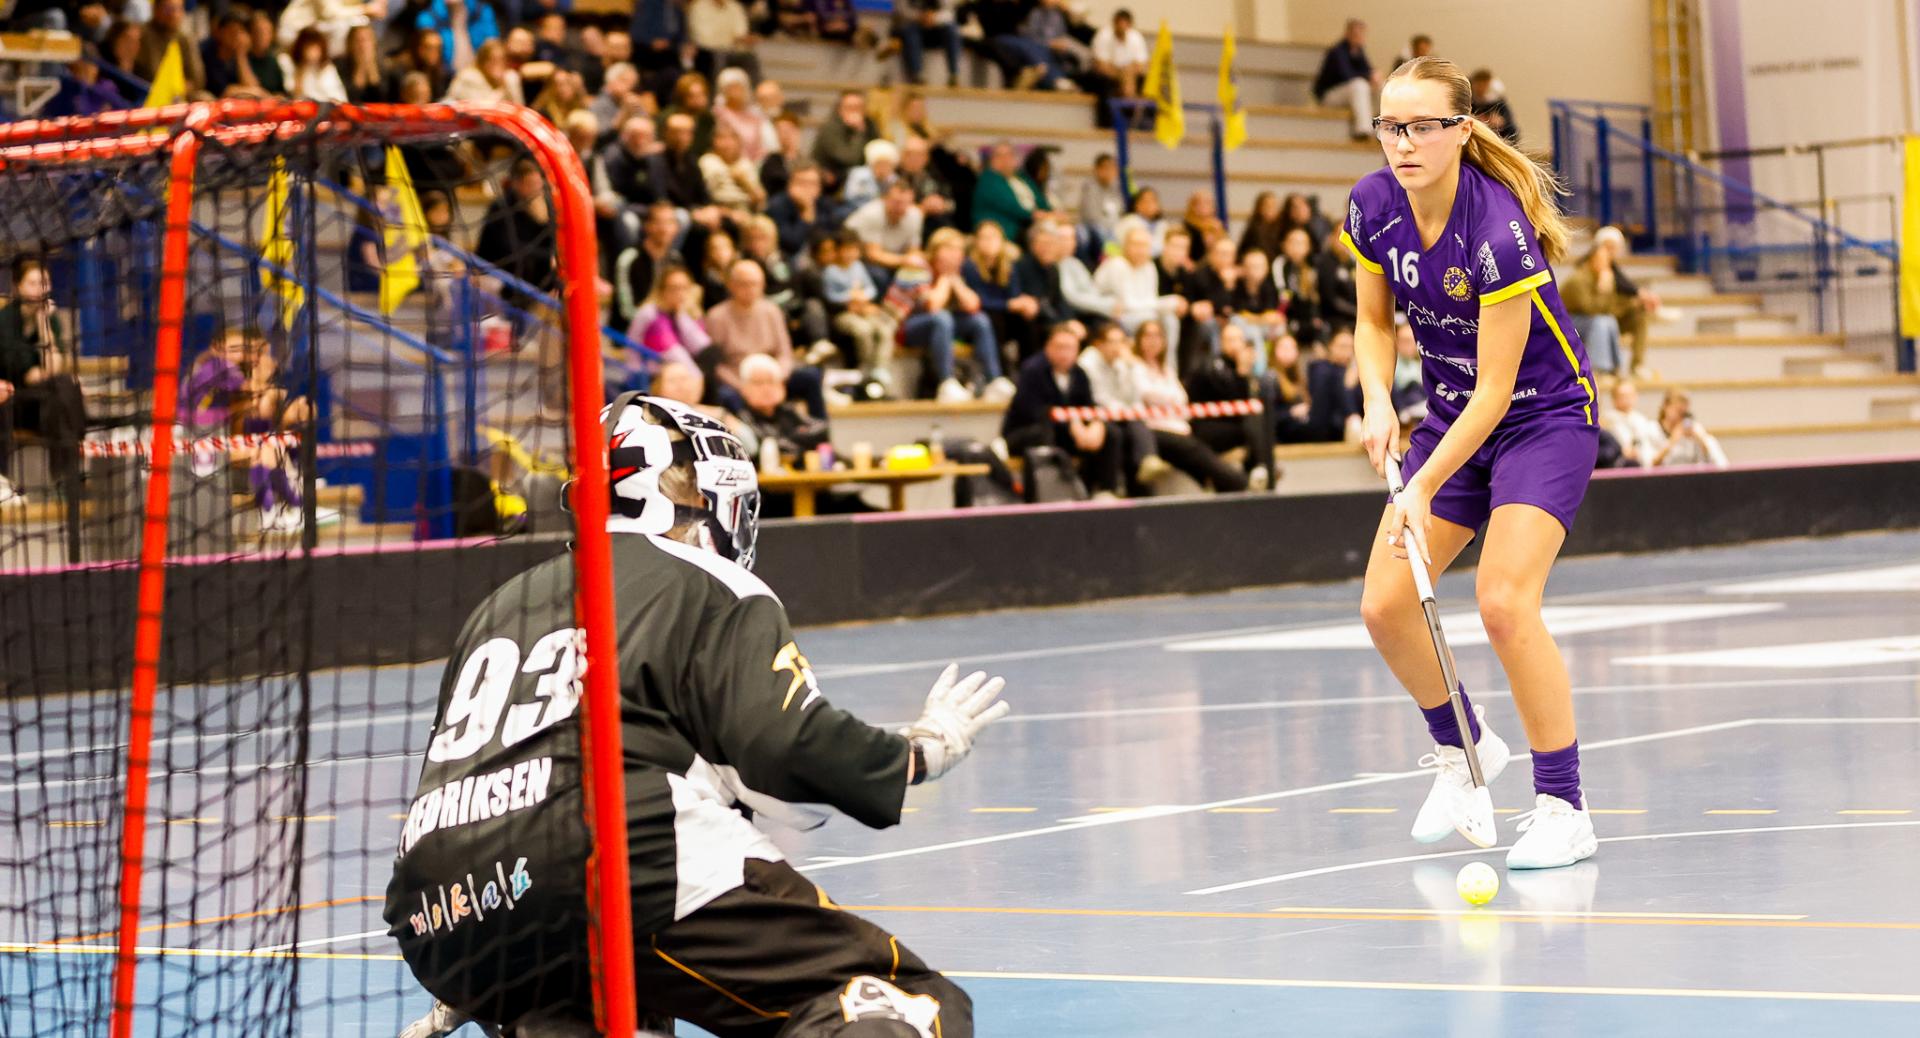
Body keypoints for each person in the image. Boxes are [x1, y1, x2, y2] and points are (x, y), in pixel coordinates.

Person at [388, 394, 1002, 1038]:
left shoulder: (499, 606)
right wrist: (914, 754)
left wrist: (485, 941)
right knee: (906, 1000)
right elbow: (788, 762)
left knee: (606, 998)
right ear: (705, 496)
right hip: (619, 864)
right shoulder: (706, 582)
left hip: (443, 914)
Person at [1346, 57, 1599, 870]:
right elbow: (1374, 324)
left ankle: (1564, 808)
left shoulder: (1497, 230)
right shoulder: (1372, 205)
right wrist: (1377, 399)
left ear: (1461, 131)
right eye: (1391, 126)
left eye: (1422, 127)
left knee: (1503, 603)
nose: (1403, 143)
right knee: (1385, 607)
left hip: (1541, 421)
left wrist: (1421, 484)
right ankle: (1466, 748)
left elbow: (1496, 390)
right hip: (1453, 420)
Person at [0, 258, 87, 507]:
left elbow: (51, 368)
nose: (41, 289)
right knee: (64, 388)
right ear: (17, 286)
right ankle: (66, 475)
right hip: (11, 402)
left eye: (45, 282)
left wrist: (45, 325)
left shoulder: (50, 318)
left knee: (64, 387)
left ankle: (64, 477)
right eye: (33, 283)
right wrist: (46, 373)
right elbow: (28, 375)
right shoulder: (5, 321)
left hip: (42, 403)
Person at [1001, 323, 1124, 496]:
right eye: (1060, 347)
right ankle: (1049, 494)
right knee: (1045, 432)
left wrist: (1096, 425)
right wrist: (1072, 425)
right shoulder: (1032, 370)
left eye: (1070, 348)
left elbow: (1089, 407)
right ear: (1048, 348)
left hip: (1066, 433)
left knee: (1111, 433)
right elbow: (1033, 413)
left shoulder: (1079, 374)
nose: (1065, 353)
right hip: (1026, 433)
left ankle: (1104, 492)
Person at [899, 228, 1011, 403]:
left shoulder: (958, 272)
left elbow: (973, 306)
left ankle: (993, 379)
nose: (955, 255)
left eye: (959, 250)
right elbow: (933, 306)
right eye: (950, 249)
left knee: (980, 321)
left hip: (942, 325)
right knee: (942, 318)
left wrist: (956, 281)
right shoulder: (916, 267)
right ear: (935, 250)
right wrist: (945, 279)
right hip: (907, 328)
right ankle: (947, 382)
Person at [1562, 225, 1658, 378]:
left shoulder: (1608, 276)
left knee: (1635, 315)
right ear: (1593, 257)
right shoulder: (1578, 279)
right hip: (1572, 323)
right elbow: (1592, 309)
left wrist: (1634, 304)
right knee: (1603, 321)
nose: (1607, 259)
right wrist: (1603, 289)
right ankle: (1600, 370)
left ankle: (1634, 366)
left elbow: (1610, 306)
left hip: (1598, 316)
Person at [822, 229, 898, 393]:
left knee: (884, 329)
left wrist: (863, 297)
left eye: (854, 249)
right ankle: (865, 369)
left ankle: (880, 369)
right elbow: (829, 297)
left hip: (863, 310)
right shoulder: (830, 271)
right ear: (838, 250)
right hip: (844, 314)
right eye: (847, 249)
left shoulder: (858, 267)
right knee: (863, 330)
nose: (850, 254)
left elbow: (871, 288)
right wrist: (849, 298)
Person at [1094, 225, 1185, 351]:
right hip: (1111, 316)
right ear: (1126, 246)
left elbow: (1150, 299)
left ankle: (1168, 362)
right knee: (1150, 322)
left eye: (1144, 245)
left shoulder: (1149, 266)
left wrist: (1164, 305)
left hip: (1139, 313)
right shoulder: (1117, 265)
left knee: (1170, 319)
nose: (1140, 249)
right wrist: (1169, 302)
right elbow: (1128, 304)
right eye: (1136, 244)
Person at [845, 179, 925, 284]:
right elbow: (873, 255)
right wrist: (905, 260)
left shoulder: (915, 215)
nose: (900, 207)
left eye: (906, 203)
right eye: (896, 202)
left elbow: (913, 250)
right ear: (884, 199)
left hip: (893, 256)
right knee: (880, 275)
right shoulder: (872, 214)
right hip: (862, 259)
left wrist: (914, 261)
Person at [1313, 18, 1380, 140]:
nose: (1358, 37)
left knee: (1380, 86)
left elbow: (1367, 70)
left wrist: (1374, 76)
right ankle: (1363, 129)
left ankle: (1380, 127)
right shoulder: (1337, 51)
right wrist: (1368, 76)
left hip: (1347, 92)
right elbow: (1346, 75)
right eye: (1355, 34)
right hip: (1329, 95)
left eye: (1361, 34)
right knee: (1359, 85)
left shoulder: (1359, 51)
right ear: (1347, 33)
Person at [971, 142, 1046, 244]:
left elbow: (1040, 200)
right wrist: (1038, 215)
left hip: (1028, 224)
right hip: (1005, 230)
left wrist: (1050, 213)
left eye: (1009, 155)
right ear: (992, 160)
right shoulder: (988, 179)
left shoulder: (1022, 177)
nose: (1005, 159)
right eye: (999, 156)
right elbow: (1012, 207)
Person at [810, 89, 876, 194]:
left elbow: (877, 151)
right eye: (850, 108)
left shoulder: (870, 125)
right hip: (830, 186)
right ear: (840, 110)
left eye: (858, 108)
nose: (854, 112)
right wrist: (858, 132)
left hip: (858, 181)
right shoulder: (830, 128)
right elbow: (849, 159)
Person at [135, 0, 206, 93]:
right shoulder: (141, 34)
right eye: (168, 9)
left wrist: (178, 88)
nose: (173, 14)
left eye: (178, 9)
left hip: (178, 94)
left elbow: (197, 78)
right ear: (155, 9)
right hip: (146, 91)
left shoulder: (185, 39)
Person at [698, 121, 766, 216]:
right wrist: (729, 213)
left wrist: (744, 182)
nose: (727, 143)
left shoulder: (745, 164)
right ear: (713, 142)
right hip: (720, 211)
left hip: (746, 211)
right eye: (722, 138)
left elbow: (760, 200)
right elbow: (705, 196)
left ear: (739, 142)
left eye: (731, 138)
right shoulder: (708, 161)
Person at [1650, 388, 1728, 468]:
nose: (1681, 417)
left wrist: (1700, 441)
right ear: (1665, 406)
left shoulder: (1694, 428)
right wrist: (1672, 441)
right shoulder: (1652, 429)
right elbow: (1650, 464)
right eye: (1678, 411)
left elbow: (1720, 463)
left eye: (1685, 413)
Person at [686, 0, 759, 82]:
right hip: (708, 51)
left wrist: (743, 39)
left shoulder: (735, 6)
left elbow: (741, 33)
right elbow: (703, 39)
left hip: (733, 49)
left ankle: (755, 87)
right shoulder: (699, 7)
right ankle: (716, 88)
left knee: (750, 57)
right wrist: (731, 39)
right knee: (720, 56)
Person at [712, 67, 772, 165]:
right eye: (730, 88)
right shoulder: (719, 113)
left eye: (738, 87)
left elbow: (761, 145)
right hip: (728, 162)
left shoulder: (754, 115)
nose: (735, 92)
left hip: (755, 162)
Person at [895, 0, 961, 87]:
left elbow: (950, 13)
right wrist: (920, 17)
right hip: (913, 25)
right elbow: (901, 11)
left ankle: (954, 75)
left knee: (951, 29)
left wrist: (934, 17)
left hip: (936, 26)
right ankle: (917, 76)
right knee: (910, 32)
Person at [1088, 7, 1147, 102]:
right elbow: (1101, 66)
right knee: (1105, 83)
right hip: (1108, 76)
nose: (1122, 27)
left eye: (1125, 25)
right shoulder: (1103, 36)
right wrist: (1122, 76)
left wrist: (1128, 75)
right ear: (1114, 23)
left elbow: (1141, 66)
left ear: (1130, 25)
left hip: (1128, 75)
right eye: (1119, 24)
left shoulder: (1136, 37)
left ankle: (1132, 105)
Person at [1599, 380, 1661, 467]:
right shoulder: (1606, 421)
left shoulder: (1641, 420)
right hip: (1618, 466)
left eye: (1629, 395)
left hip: (1645, 466)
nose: (1626, 399)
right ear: (1614, 399)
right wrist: (1622, 452)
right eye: (1622, 396)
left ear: (1636, 396)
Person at [445, 38, 524, 106]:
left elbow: (519, 107)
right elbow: (482, 109)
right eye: (492, 60)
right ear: (483, 61)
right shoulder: (469, 77)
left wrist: (510, 83)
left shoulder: (508, 77)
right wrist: (503, 88)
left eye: (501, 59)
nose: (498, 64)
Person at [1077, 154, 1127, 255]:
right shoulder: (1090, 188)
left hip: (1115, 228)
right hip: (1095, 229)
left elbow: (1122, 211)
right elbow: (1092, 217)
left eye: (1113, 168)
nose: (1111, 172)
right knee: (1101, 232)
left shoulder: (1116, 187)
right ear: (1097, 170)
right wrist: (1112, 229)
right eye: (1107, 168)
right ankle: (1113, 255)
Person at [841, 138, 900, 212]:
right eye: (880, 163)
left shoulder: (894, 179)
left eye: (887, 164)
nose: (883, 168)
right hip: (856, 210)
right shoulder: (858, 174)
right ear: (872, 163)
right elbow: (850, 197)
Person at [336, 24, 391, 104]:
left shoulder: (386, 68)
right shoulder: (339, 66)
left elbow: (385, 99)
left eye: (367, 40)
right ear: (350, 44)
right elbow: (347, 98)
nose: (362, 45)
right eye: (358, 41)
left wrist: (372, 69)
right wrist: (360, 68)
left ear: (374, 42)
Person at [1470, 68, 1520, 144]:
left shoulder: (1497, 101)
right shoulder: (1468, 100)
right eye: (1479, 85)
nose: (1482, 88)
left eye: (1485, 85)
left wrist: (1500, 121)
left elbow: (1508, 120)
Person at [1238, 191, 1286, 263]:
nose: (1271, 209)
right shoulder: (1253, 227)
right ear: (1259, 208)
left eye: (1274, 206)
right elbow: (1242, 250)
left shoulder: (1283, 226)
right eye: (1268, 206)